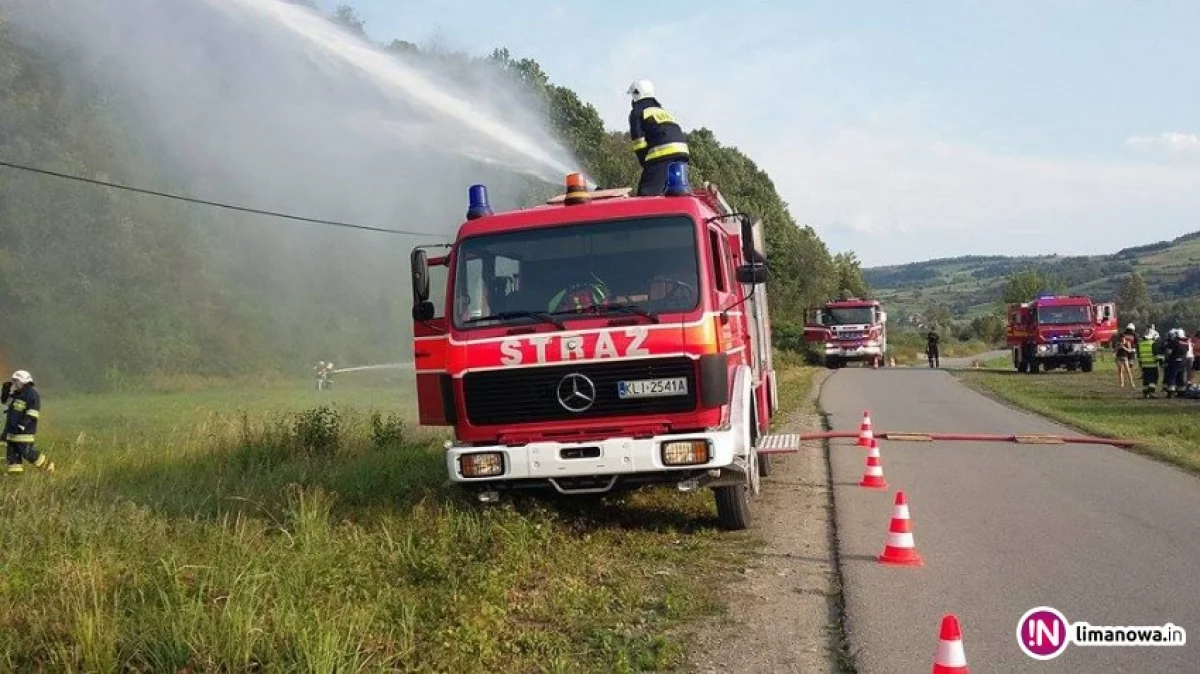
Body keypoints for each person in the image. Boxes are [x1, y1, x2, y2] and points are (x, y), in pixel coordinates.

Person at [627, 79, 690, 196]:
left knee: (646, 195)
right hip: (682, 154)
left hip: (662, 155)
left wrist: (646, 165)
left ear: (636, 94)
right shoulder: (662, 111)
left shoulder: (638, 112)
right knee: (676, 193)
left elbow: (639, 143)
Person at [2, 370, 54, 475]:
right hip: (12, 433)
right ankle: (15, 477)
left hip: (24, 433)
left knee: (28, 453)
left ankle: (48, 467)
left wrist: (22, 425)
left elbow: (33, 413)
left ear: (24, 381)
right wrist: (6, 389)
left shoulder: (32, 395)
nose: (15, 384)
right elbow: (5, 401)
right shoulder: (16, 394)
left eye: (17, 381)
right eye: (14, 381)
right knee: (13, 456)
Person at [1136, 328, 1162, 399]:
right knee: (1153, 379)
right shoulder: (1153, 344)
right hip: (1152, 365)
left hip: (1144, 365)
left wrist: (1141, 365)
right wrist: (1161, 361)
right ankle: (1152, 393)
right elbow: (1157, 356)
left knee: (1146, 380)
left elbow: (1139, 356)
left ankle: (1145, 393)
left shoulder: (1141, 344)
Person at [1163, 329, 1189, 398]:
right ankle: (1181, 392)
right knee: (1181, 377)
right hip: (1183, 362)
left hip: (1174, 361)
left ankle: (1171, 392)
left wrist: (1166, 358)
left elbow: (1168, 352)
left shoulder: (1174, 342)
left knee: (1172, 377)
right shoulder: (1186, 342)